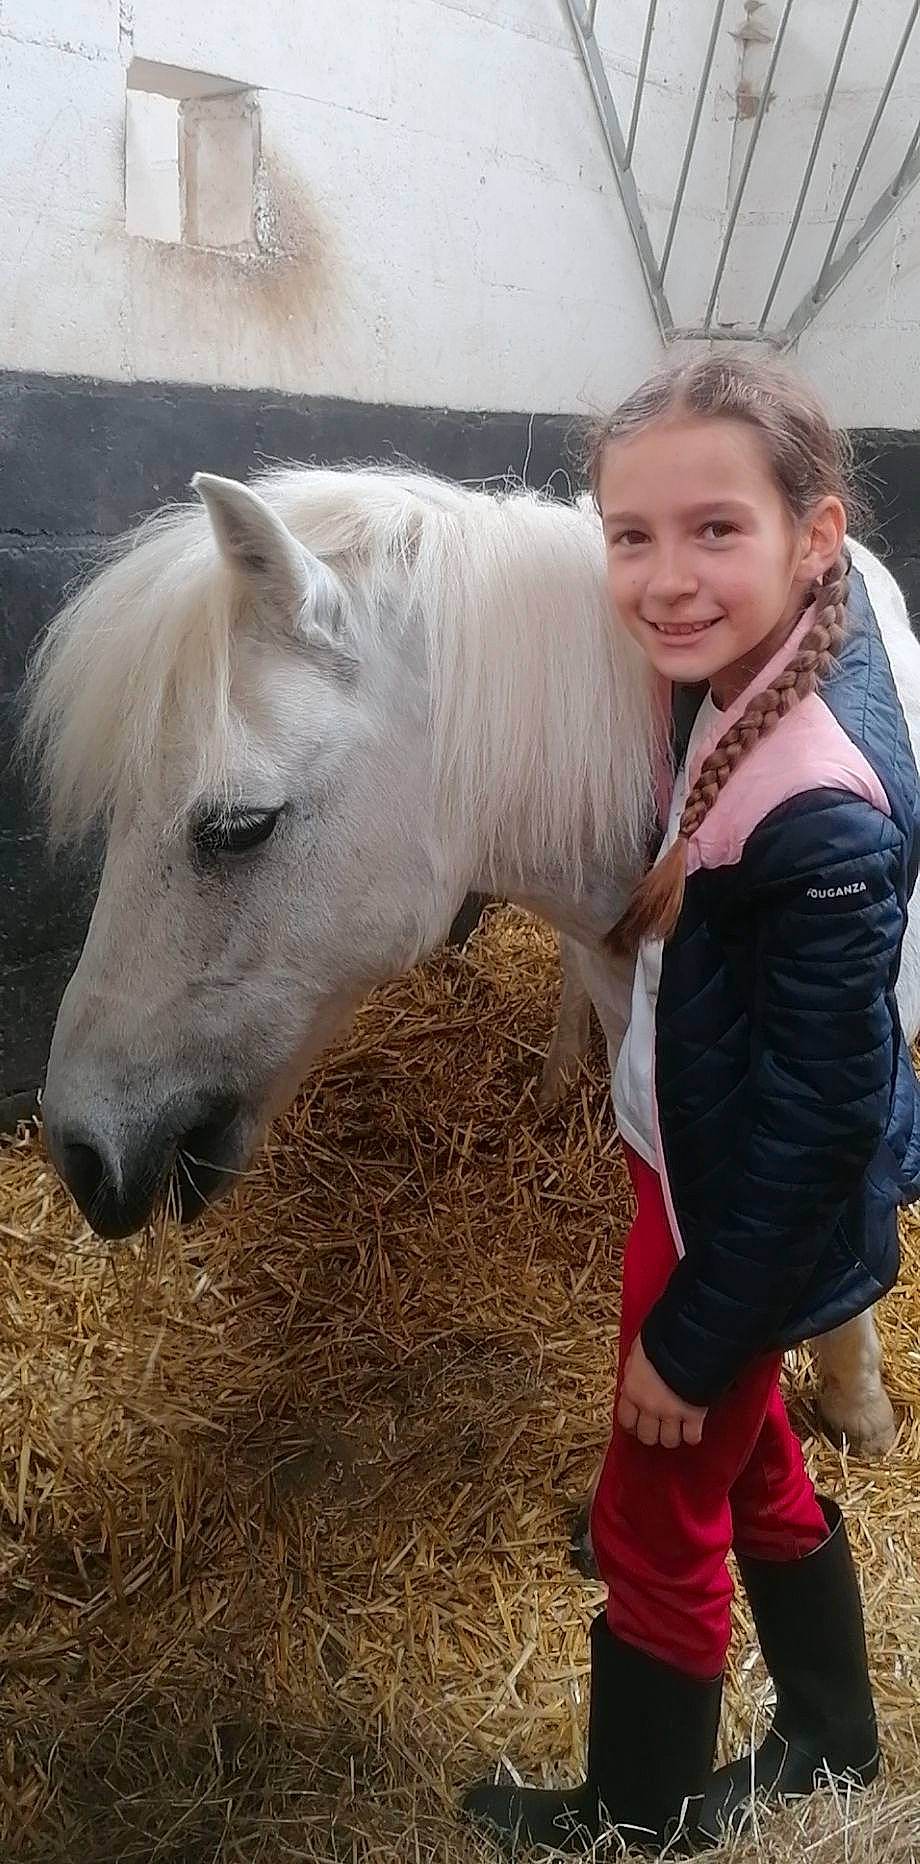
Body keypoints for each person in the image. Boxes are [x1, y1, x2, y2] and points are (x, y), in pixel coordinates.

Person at [462, 353, 920, 1855]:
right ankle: (835, 1735)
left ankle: (632, 1820)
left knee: (657, 1506)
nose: (664, 580)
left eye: (713, 529)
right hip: (695, 1172)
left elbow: (830, 1117)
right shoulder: (731, 676)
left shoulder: (817, 799)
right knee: (747, 1455)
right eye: (631, 536)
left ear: (816, 534)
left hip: (738, 1218)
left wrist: (698, 1330)